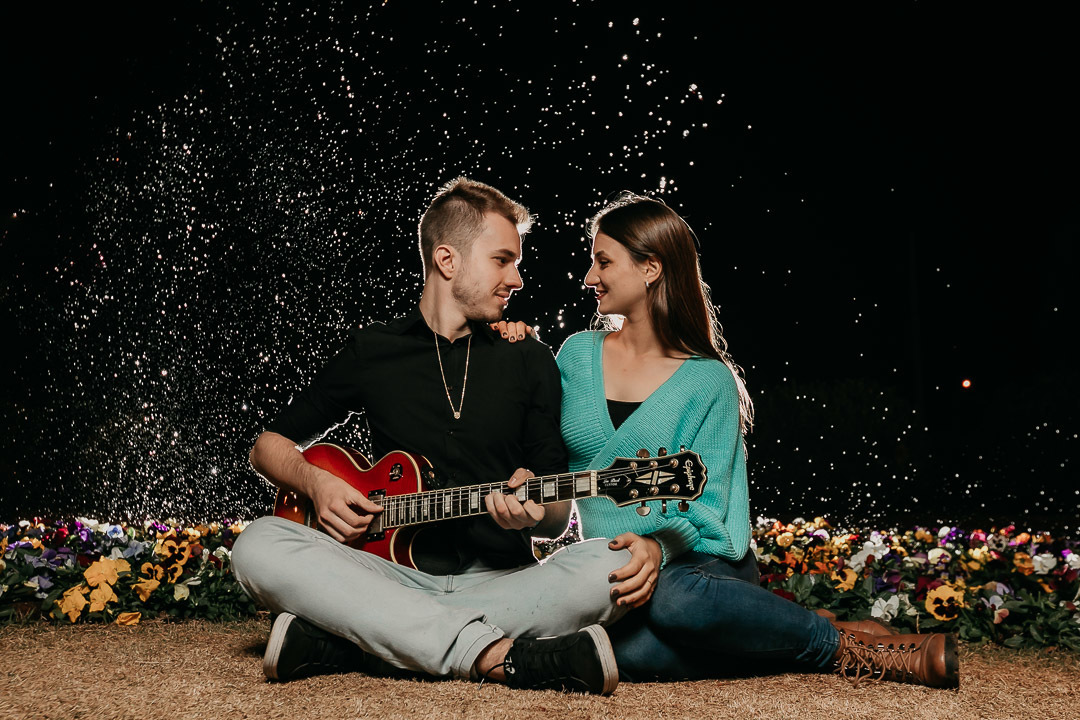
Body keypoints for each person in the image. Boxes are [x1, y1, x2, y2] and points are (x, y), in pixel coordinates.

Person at [498, 192, 959, 688]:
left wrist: (657, 548)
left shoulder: (708, 381)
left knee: (676, 604)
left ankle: (848, 651)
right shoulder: (574, 356)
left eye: (603, 261)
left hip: (702, 569)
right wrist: (504, 347)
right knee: (619, 650)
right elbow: (554, 473)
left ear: (650, 267)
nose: (590, 277)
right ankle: (810, 630)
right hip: (616, 577)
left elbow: (717, 514)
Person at [231, 177, 629, 696]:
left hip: (500, 579)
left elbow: (556, 510)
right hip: (384, 576)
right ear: (447, 260)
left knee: (612, 566)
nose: (518, 279)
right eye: (502, 260)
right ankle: (495, 655)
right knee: (258, 545)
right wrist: (318, 484)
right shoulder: (374, 351)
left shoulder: (528, 356)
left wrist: (536, 505)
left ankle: (361, 642)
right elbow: (268, 445)